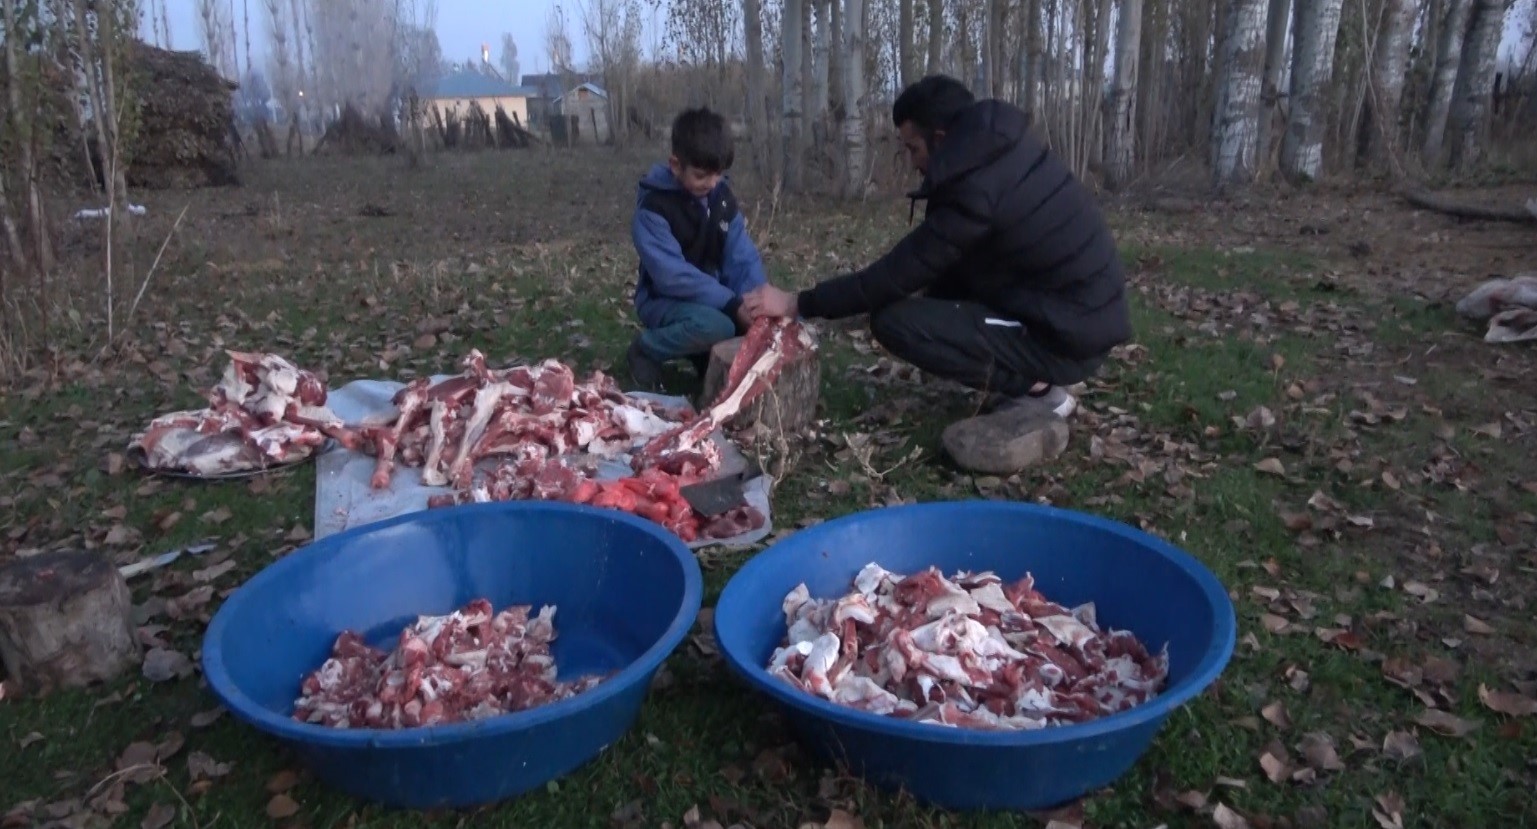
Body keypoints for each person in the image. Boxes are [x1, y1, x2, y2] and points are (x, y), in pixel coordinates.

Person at [743, 75, 1131, 472]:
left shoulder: (976, 188)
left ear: (941, 138)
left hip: (1069, 335)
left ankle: (1040, 388)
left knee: (896, 323)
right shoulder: (1000, 154)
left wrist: (795, 302)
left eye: (913, 148)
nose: (912, 162)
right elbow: (945, 267)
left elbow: (897, 272)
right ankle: (1032, 373)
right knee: (926, 302)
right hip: (1077, 316)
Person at [626, 106, 769, 391]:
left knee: (760, 323)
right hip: (662, 300)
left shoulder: (721, 198)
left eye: (718, 175)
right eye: (702, 175)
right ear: (676, 165)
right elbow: (672, 276)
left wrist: (756, 303)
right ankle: (645, 350)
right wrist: (731, 305)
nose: (712, 183)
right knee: (719, 326)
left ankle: (704, 357)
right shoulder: (654, 208)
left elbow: (741, 257)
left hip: (711, 299)